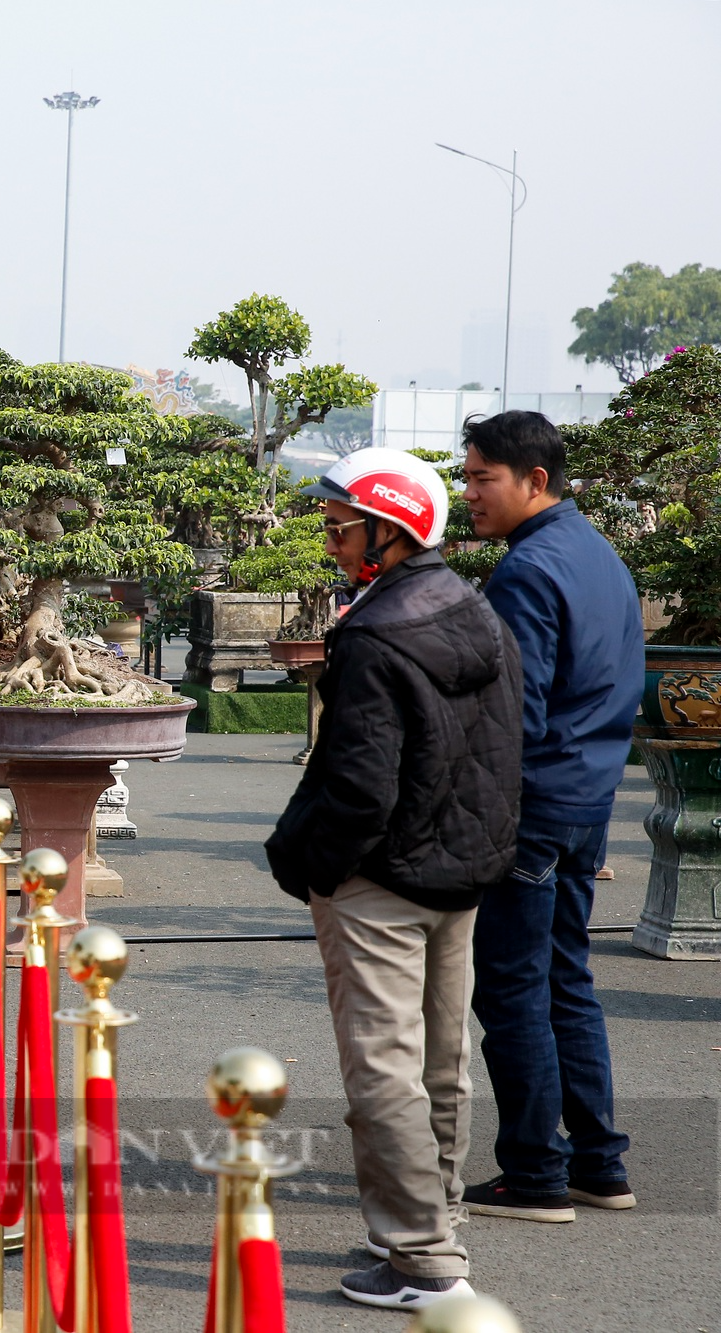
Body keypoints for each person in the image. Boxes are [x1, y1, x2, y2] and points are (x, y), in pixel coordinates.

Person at [265, 447, 523, 1310]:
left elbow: (359, 782)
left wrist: (315, 865)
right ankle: (433, 1219)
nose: (332, 540)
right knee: (443, 1060)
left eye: (342, 526)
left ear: (391, 529)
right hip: (458, 868)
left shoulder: (377, 630)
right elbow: (499, 752)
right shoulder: (474, 608)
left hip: (381, 873)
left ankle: (421, 1259)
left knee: (382, 1066)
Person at [459, 410, 643, 1221]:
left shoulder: (527, 570)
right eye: (466, 477)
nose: (469, 493)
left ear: (536, 481)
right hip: (587, 799)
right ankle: (598, 1164)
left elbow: (514, 716)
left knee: (512, 990)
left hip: (532, 805)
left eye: (482, 477)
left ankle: (535, 1172)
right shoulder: (599, 554)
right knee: (566, 979)